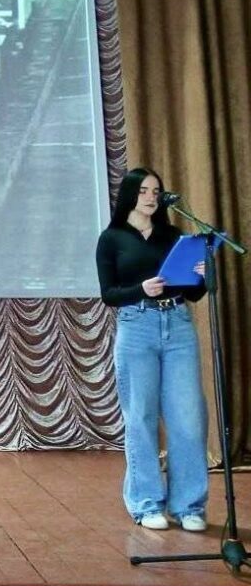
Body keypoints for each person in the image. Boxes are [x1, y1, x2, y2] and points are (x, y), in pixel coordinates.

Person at [95, 167, 209, 532]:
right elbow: (109, 294)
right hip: (137, 326)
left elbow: (193, 293)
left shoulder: (171, 235)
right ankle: (146, 503)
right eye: (144, 190)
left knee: (188, 418)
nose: (151, 197)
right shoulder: (112, 238)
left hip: (178, 325)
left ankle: (189, 505)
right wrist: (141, 290)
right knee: (141, 417)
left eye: (156, 191)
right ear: (130, 194)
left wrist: (199, 275)